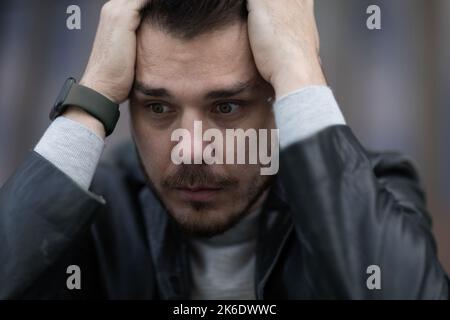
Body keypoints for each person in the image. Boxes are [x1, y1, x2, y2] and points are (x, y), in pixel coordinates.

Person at [0, 0, 448, 299]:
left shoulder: (376, 193)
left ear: (283, 94)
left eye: (228, 105)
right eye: (158, 106)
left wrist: (298, 62)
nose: (191, 150)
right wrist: (93, 93)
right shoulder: (99, 211)